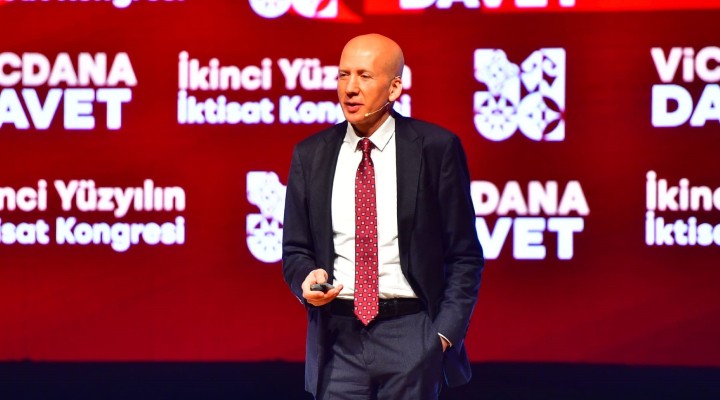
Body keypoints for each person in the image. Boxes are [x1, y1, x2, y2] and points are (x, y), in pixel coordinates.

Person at [282, 33, 484, 400]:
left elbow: (464, 255)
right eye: (343, 75)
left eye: (364, 76)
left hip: (411, 333)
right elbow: (296, 250)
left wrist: (440, 337)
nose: (350, 88)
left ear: (394, 88)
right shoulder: (310, 155)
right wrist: (306, 279)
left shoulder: (436, 149)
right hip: (337, 340)